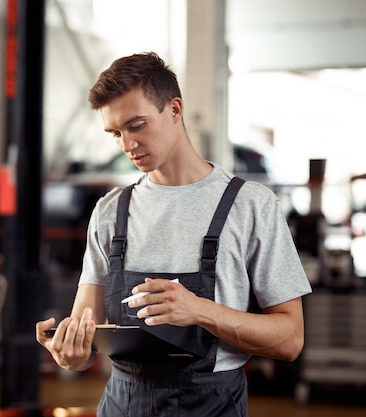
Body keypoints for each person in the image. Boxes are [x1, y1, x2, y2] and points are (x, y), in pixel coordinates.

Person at [36, 52, 311, 416]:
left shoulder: (251, 206)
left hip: (211, 405)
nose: (126, 144)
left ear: (175, 109)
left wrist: (199, 310)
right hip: (123, 403)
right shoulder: (110, 211)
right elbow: (87, 340)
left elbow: (290, 340)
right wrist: (70, 352)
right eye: (115, 133)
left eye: (136, 125)